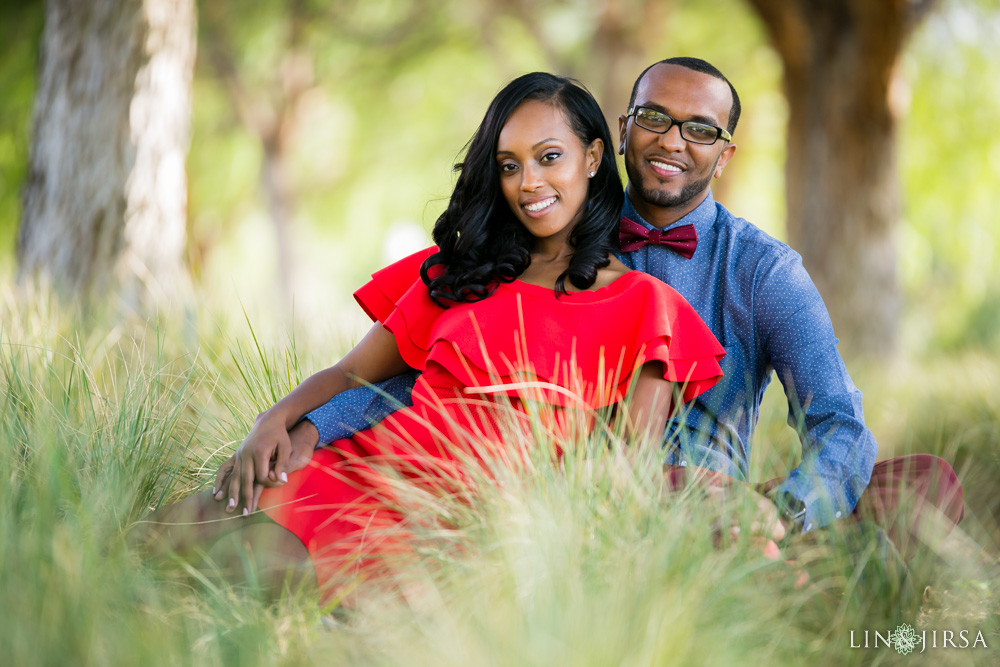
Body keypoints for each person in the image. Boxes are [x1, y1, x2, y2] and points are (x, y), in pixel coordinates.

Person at [292, 57, 964, 553]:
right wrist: (310, 426)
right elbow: (431, 381)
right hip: (566, 501)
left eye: (700, 129)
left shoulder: (765, 274)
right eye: (655, 119)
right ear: (619, 130)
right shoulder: (546, 240)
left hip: (721, 508)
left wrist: (782, 509)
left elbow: (840, 425)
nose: (673, 141)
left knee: (922, 489)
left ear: (725, 155)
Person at [135, 72, 725, 600]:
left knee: (261, 568)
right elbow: (349, 373)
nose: (528, 183)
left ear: (594, 157)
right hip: (369, 467)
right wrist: (272, 420)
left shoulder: (647, 307)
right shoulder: (461, 275)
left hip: (471, 520)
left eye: (550, 157)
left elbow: (625, 472)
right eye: (510, 164)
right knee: (170, 536)